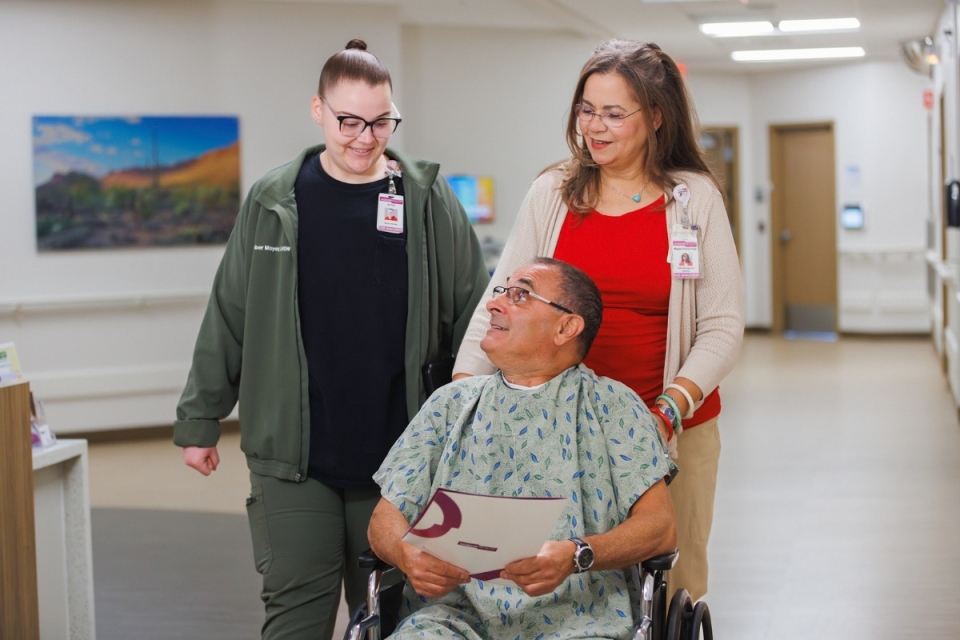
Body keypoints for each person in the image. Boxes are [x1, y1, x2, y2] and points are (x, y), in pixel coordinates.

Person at [173, 40, 489, 640]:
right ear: (317, 110)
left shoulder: (425, 201)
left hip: (403, 460)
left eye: (381, 121)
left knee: (400, 623)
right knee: (294, 619)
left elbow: (473, 316)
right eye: (349, 121)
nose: (366, 137)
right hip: (294, 460)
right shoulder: (275, 200)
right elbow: (230, 312)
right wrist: (200, 420)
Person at [452, 40, 743, 602]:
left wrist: (669, 406)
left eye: (614, 113)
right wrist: (462, 399)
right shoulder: (553, 194)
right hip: (564, 426)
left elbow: (723, 326)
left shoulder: (693, 200)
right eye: (587, 109)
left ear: (655, 118)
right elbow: (500, 302)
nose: (595, 127)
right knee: (567, 583)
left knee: (670, 582)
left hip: (673, 425)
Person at [369, 258, 677, 640]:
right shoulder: (450, 404)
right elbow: (384, 518)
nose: (494, 305)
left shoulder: (614, 406)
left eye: (520, 295)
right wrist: (405, 555)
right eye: (501, 292)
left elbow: (660, 528)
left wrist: (577, 553)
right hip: (449, 617)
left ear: (566, 327)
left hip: (580, 619)